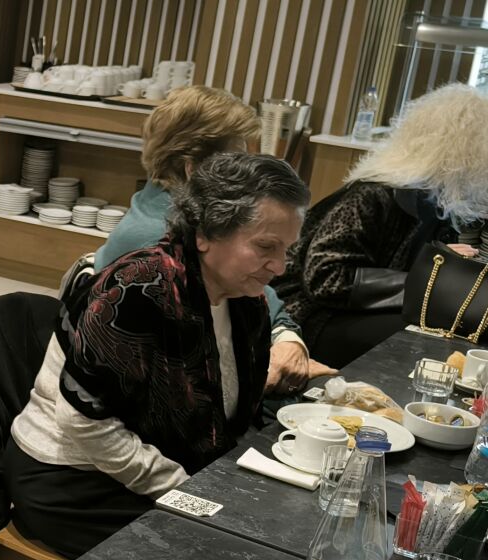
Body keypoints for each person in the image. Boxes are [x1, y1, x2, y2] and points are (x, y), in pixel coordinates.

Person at [7, 153, 309, 559]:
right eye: (266, 247)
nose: (280, 267)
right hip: (74, 478)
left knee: (275, 530)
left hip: (167, 469)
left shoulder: (246, 302)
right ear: (206, 233)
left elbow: (230, 418)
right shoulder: (136, 290)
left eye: (287, 249)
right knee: (222, 555)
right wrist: (189, 493)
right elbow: (85, 424)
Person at [95, 86, 331, 396]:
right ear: (194, 168)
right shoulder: (161, 241)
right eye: (237, 160)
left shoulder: (161, 207)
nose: (247, 172)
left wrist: (287, 337)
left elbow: (263, 300)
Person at [274, 83, 488, 367]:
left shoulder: (437, 202)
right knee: (427, 345)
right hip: (308, 316)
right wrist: (424, 274)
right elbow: (326, 280)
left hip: (358, 311)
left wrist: (442, 265)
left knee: (454, 337)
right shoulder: (373, 194)